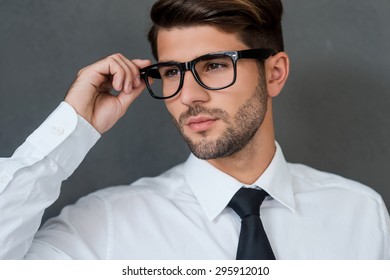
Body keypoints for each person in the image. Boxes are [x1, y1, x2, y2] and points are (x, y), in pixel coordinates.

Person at [0, 0, 389, 260]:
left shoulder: (359, 212)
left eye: (215, 65)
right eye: (171, 72)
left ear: (275, 73)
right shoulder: (107, 225)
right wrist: (72, 127)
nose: (188, 96)